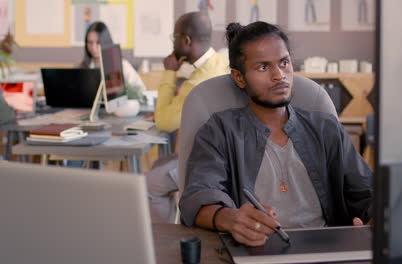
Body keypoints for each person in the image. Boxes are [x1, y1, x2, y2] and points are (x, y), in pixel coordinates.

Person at [179, 21, 373, 247]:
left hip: (324, 249)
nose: (279, 75)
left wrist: (378, 215)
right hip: (255, 250)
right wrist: (230, 219)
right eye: (263, 67)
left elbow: (368, 191)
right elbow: (198, 196)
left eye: (284, 63)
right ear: (239, 77)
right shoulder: (221, 130)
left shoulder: (326, 129)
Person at [155, 12, 229, 133]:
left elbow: (163, 123)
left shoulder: (197, 84)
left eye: (175, 38)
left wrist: (169, 72)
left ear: (186, 40)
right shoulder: (221, 61)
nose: (173, 44)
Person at [80, 21, 147, 98]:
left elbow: (142, 91)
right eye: (90, 42)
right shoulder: (84, 67)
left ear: (106, 42)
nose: (93, 47)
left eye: (98, 42)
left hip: (119, 109)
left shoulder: (122, 65)